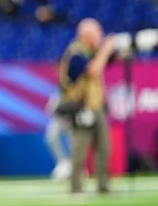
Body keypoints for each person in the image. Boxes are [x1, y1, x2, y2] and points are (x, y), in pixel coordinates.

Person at [57, 19, 115, 194]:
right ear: (87, 36)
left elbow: (112, 60)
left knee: (104, 148)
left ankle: (103, 185)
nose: (100, 37)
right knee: (80, 149)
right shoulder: (76, 53)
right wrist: (106, 50)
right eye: (97, 34)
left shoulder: (92, 52)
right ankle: (76, 187)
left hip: (97, 106)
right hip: (81, 107)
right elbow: (92, 70)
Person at [44, 93, 71, 181]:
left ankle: (76, 166)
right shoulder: (57, 94)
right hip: (59, 119)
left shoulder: (76, 92)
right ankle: (62, 163)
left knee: (75, 140)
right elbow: (49, 110)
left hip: (73, 120)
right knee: (51, 136)